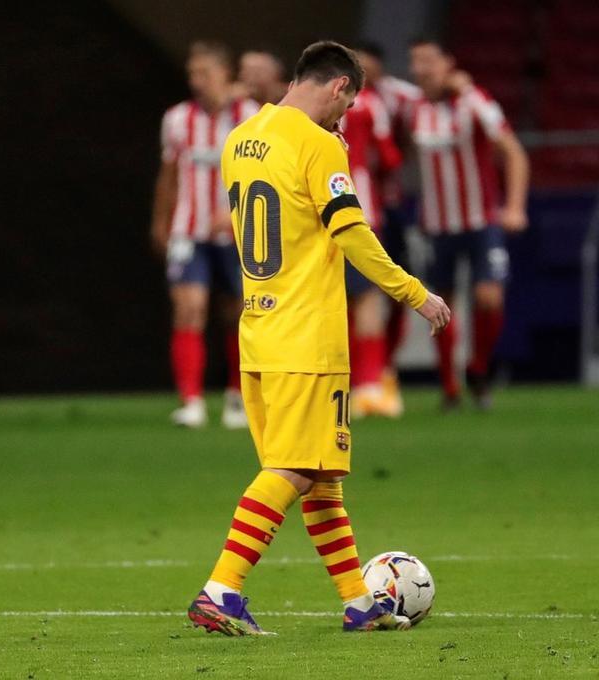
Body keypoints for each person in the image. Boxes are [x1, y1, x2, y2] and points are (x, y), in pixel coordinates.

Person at [187, 40, 450, 636]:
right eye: (349, 103)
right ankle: (221, 588)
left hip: (259, 330)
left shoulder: (241, 137)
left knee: (320, 476)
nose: (346, 117)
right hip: (308, 336)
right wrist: (414, 292)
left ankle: (359, 602)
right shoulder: (319, 145)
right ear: (337, 87)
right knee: (295, 469)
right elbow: (352, 233)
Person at [402, 36, 529, 409]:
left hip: (481, 219)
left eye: (428, 61)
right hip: (437, 223)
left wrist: (516, 206)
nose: (420, 70)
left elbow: (514, 152)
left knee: (488, 296)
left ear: (448, 64)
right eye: (415, 62)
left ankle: (477, 367)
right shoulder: (413, 109)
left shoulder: (474, 101)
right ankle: (449, 386)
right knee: (438, 302)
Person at [150, 41, 258, 428]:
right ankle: (191, 401)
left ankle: (237, 396)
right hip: (189, 230)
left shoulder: (251, 115)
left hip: (239, 231)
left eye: (204, 73)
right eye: (192, 74)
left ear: (225, 74)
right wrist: (160, 221)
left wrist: (235, 215)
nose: (196, 81)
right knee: (188, 308)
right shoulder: (178, 118)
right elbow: (170, 173)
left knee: (239, 314)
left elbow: (267, 176)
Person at [339, 80, 403, 417]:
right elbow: (391, 157)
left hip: (317, 212)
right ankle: (370, 386)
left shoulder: (297, 107)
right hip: (362, 209)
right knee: (366, 299)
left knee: (332, 302)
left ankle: (341, 387)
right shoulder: (370, 102)